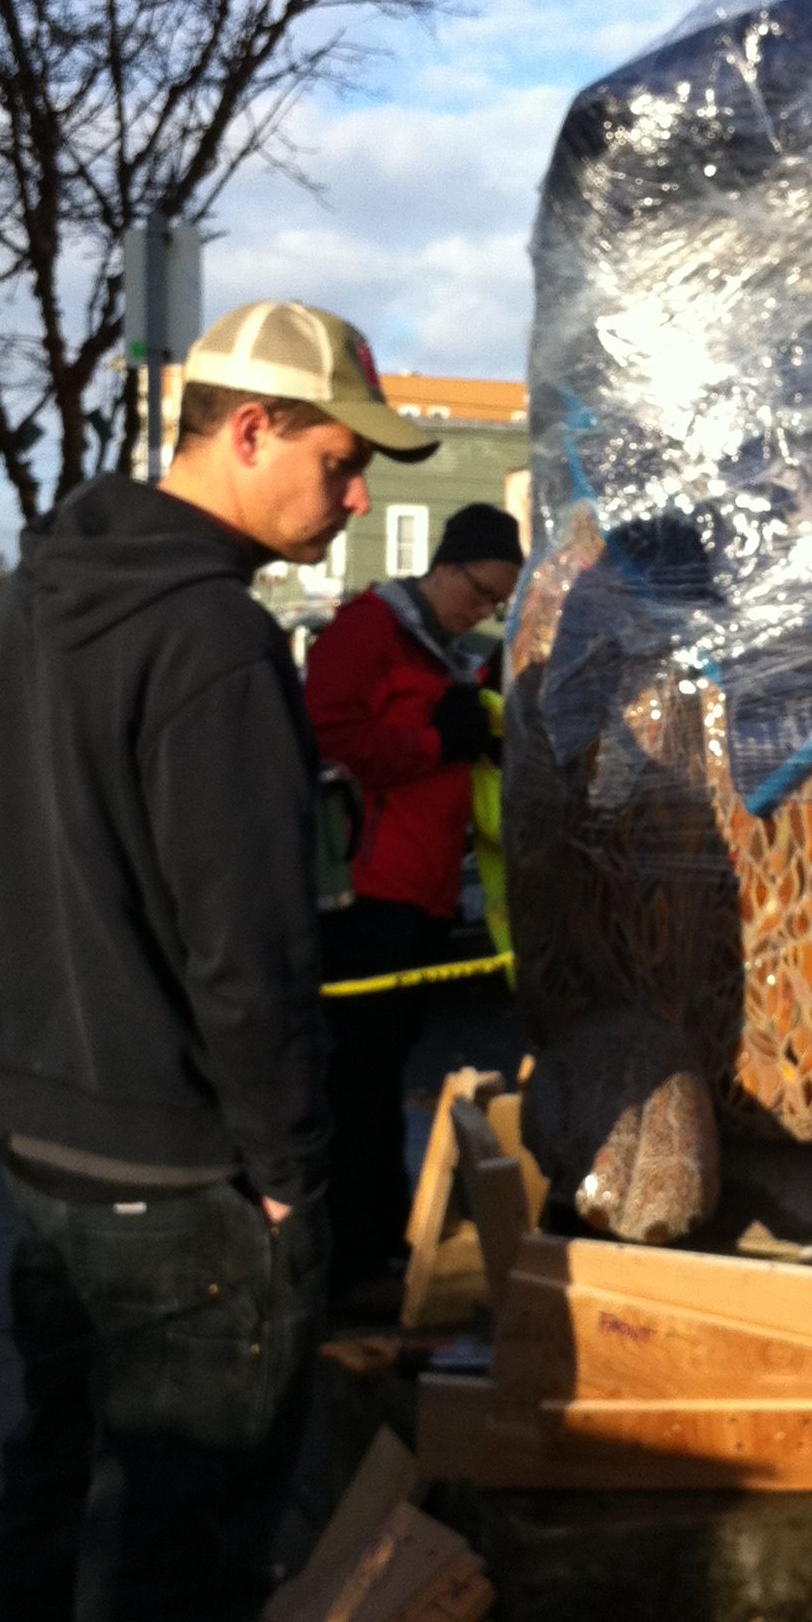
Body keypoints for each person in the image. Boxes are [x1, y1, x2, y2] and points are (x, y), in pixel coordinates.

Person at [0, 298, 433, 1622]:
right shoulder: (219, 643)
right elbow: (252, 949)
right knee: (178, 1538)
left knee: (48, 1499)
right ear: (243, 431)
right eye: (337, 456)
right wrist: (294, 1173)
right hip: (180, 1174)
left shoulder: (39, 601)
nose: (355, 495)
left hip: (42, 1138)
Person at [304, 502, 525, 1310]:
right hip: (369, 895)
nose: (483, 610)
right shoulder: (369, 630)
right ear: (446, 566)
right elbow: (325, 739)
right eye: (481, 592)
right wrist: (439, 742)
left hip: (424, 896)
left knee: (382, 1077)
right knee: (356, 1082)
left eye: (498, 603)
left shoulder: (444, 652)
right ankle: (350, 1255)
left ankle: (375, 1238)